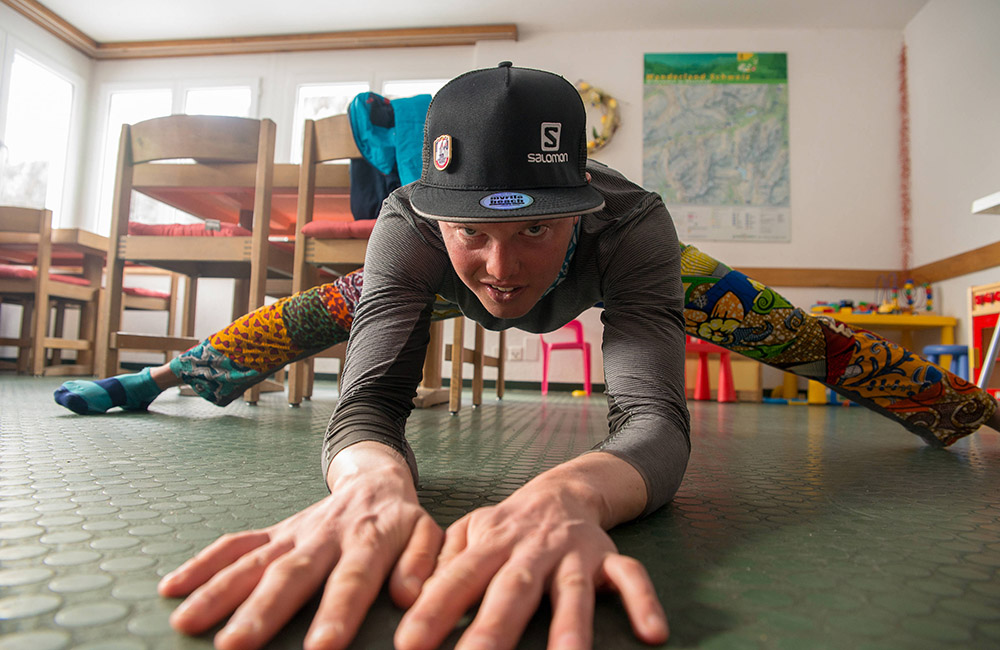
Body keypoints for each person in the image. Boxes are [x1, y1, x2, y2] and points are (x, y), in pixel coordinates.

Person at [55, 63, 999, 650]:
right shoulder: (406, 228)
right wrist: (370, 487)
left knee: (804, 336)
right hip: (421, 271)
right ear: (432, 212)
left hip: (620, 272)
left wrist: (569, 492)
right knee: (300, 315)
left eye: (534, 229)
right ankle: (159, 374)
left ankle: (969, 407)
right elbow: (371, 402)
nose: (501, 272)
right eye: (474, 233)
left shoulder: (635, 226)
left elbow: (652, 422)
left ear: (582, 197)